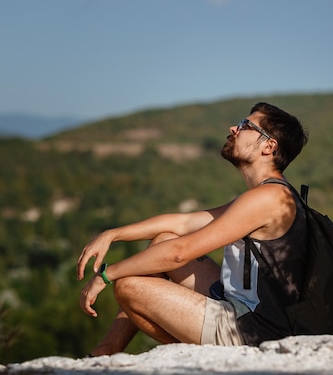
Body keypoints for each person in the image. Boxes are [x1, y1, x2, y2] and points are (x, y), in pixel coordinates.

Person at [77, 102, 309, 355]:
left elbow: (180, 252)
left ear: (268, 146)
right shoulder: (270, 193)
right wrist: (113, 234)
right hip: (245, 307)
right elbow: (182, 223)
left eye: (245, 126)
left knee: (127, 286)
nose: (234, 128)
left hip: (252, 329)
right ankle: (107, 349)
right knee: (163, 239)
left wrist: (106, 275)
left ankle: (201, 355)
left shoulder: (268, 198)